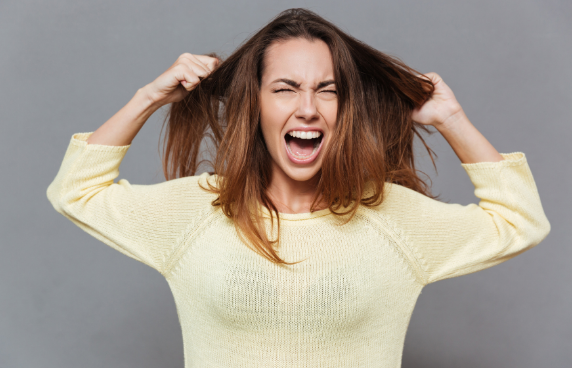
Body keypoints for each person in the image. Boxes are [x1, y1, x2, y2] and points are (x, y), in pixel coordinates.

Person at [46, 8, 550, 368]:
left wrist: (451, 117)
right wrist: (148, 97)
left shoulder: (391, 218)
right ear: (255, 105)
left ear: (343, 109)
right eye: (285, 88)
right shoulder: (199, 211)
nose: (307, 107)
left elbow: (521, 220)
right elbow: (76, 190)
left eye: (326, 90)